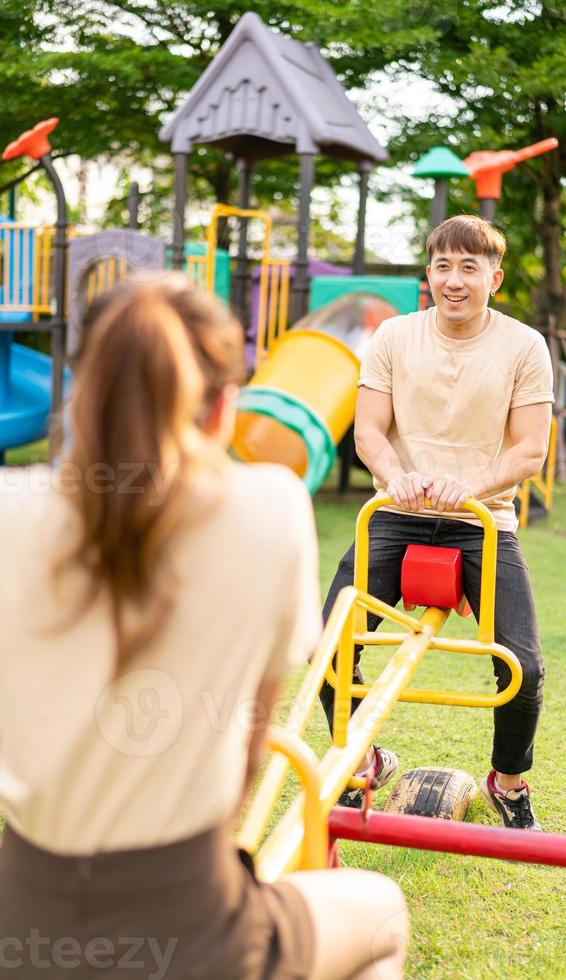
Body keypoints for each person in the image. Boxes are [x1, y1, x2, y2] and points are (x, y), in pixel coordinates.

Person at [0, 275, 408, 979]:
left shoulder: (11, 513)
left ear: (81, 394)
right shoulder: (271, 508)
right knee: (380, 911)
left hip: (23, 914)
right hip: (191, 921)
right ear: (224, 410)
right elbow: (250, 740)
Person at [319, 215, 554, 831]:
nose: (455, 280)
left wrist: (467, 486)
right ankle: (364, 756)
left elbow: (530, 450)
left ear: (493, 279)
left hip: (483, 519)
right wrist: (397, 476)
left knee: (522, 667)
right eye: (443, 266)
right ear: (428, 274)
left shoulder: (523, 346)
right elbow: (368, 429)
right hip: (396, 513)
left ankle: (507, 780)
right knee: (330, 645)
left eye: (469, 268)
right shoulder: (395, 336)